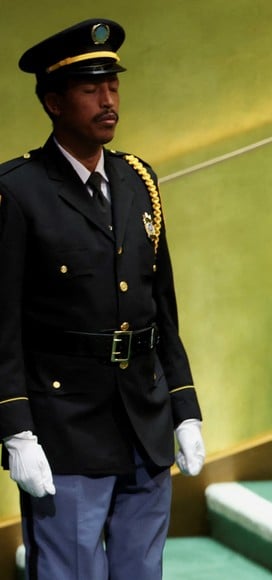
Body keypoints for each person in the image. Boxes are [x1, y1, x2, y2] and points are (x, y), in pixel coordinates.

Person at [0, 18, 205, 579]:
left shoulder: (138, 179)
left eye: (113, 86)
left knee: (143, 571)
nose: (108, 100)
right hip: (65, 426)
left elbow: (162, 307)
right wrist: (16, 430)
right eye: (90, 90)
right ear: (52, 102)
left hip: (144, 418)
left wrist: (185, 408)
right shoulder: (18, 192)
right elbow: (3, 327)